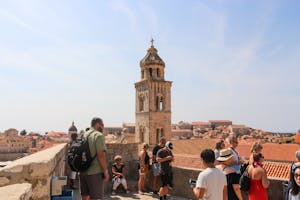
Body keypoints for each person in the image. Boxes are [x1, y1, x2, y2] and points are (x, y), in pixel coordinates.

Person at [79, 117, 109, 200]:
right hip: (94, 173)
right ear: (98, 124)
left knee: (85, 196)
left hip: (82, 171)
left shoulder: (84, 134)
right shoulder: (98, 135)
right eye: (102, 125)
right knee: (95, 198)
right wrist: (105, 171)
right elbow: (101, 155)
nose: (103, 128)